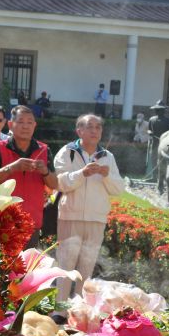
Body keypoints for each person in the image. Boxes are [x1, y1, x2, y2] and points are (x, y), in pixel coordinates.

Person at [53, 114, 124, 314]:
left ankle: (80, 312)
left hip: (96, 218)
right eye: (90, 127)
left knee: (86, 268)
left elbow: (118, 188)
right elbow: (59, 183)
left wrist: (106, 174)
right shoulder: (68, 152)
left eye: (98, 127)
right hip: (70, 216)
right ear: (79, 131)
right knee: (66, 265)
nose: (94, 131)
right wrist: (82, 173)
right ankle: (59, 311)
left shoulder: (107, 156)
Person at [0, 105, 58, 248]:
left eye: (29, 122)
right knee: (1, 268)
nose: (25, 126)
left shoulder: (44, 150)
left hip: (31, 222)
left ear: (35, 125)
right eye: (21, 122)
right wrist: (12, 168)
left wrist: (45, 171)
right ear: (10, 124)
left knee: (27, 268)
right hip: (2, 221)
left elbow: (54, 184)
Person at [146, 100, 169, 180]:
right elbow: (149, 129)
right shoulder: (152, 119)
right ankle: (154, 177)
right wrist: (150, 132)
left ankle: (163, 178)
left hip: (164, 144)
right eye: (156, 110)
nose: (157, 111)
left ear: (163, 110)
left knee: (163, 161)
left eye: (159, 110)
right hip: (154, 143)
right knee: (154, 160)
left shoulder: (168, 121)